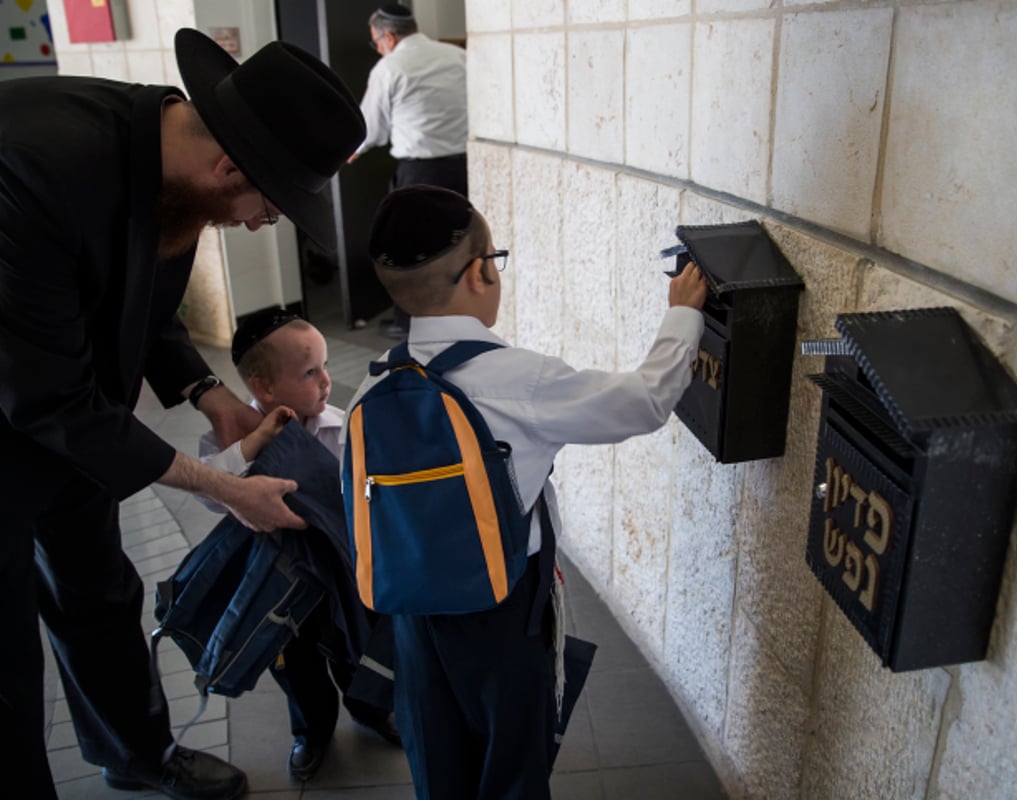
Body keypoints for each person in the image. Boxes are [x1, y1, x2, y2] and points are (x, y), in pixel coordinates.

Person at [0, 28, 365, 800]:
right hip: (24, 404)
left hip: (71, 412)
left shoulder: (164, 161)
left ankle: (134, 754)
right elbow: (46, 396)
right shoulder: (29, 173)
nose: (268, 224)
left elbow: (136, 302)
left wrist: (209, 392)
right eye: (272, 205)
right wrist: (225, 487)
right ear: (230, 166)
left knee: (97, 590)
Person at [351, 185, 708, 800]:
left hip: (411, 615)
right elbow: (646, 401)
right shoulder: (520, 380)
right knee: (512, 767)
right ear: (482, 272)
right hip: (501, 614)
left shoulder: (372, 385)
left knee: (438, 764)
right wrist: (683, 311)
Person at [196, 307, 400, 781]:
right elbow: (210, 495)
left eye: (325, 367)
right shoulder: (227, 440)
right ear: (264, 389)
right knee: (295, 664)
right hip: (281, 587)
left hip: (338, 571)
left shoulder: (339, 425)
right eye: (310, 373)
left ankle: (370, 708)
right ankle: (312, 731)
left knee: (356, 646)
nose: (326, 381)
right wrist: (254, 445)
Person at [349, 3, 469, 339]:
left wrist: (351, 150)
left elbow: (369, 129)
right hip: (465, 169)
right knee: (459, 245)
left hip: (421, 174)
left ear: (387, 36)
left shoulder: (390, 67)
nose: (377, 48)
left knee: (409, 248)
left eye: (375, 41)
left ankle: (408, 324)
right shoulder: (456, 56)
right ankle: (460, 319)